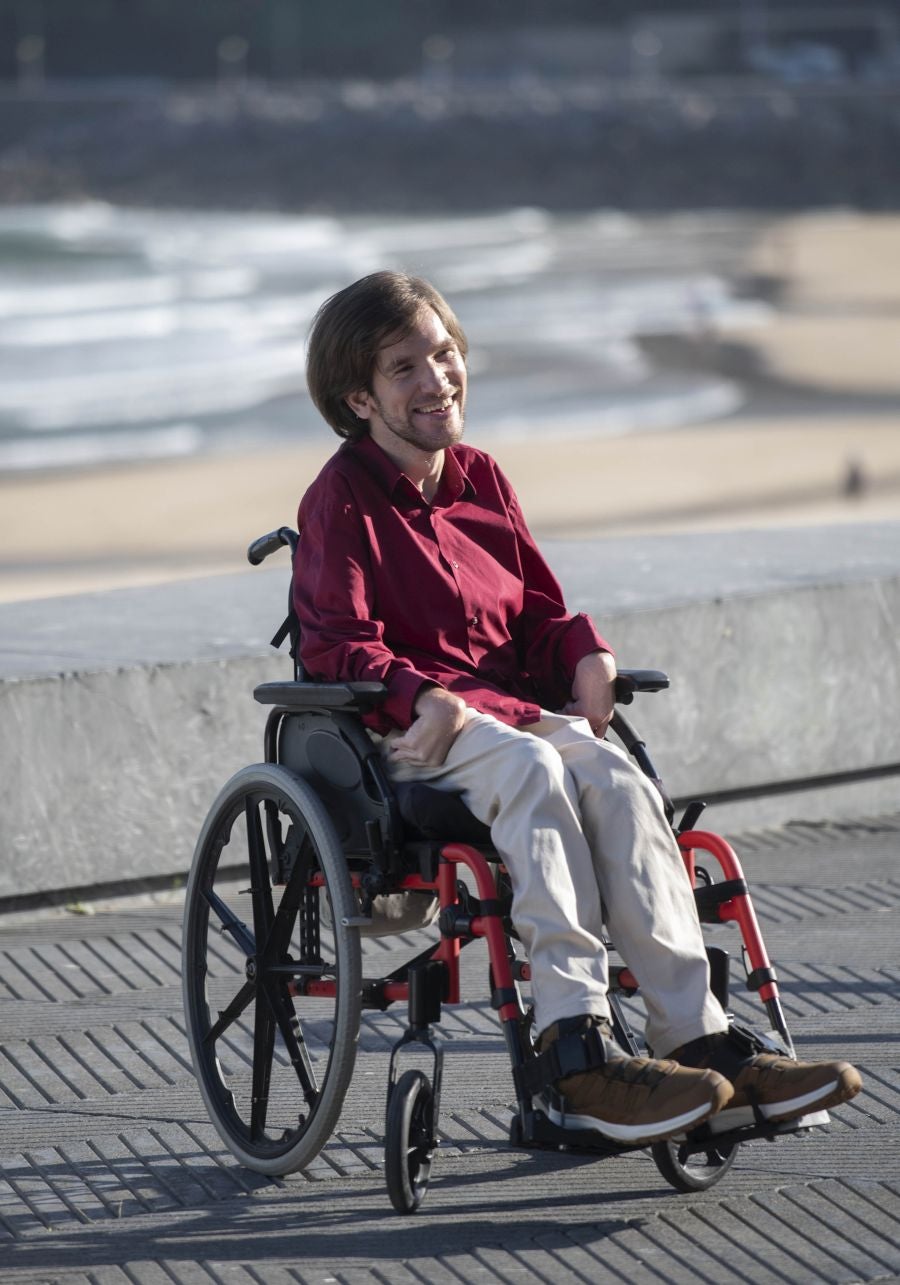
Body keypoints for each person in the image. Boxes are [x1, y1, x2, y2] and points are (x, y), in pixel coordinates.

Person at [292, 270, 862, 1146]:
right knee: (533, 766)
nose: (436, 380)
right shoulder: (341, 502)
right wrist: (421, 694)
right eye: (404, 367)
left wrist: (584, 650)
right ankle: (576, 1055)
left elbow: (538, 618)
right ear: (357, 396)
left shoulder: (482, 478)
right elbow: (336, 644)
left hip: (512, 715)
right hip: (414, 737)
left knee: (619, 779)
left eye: (444, 354)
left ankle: (701, 1038)